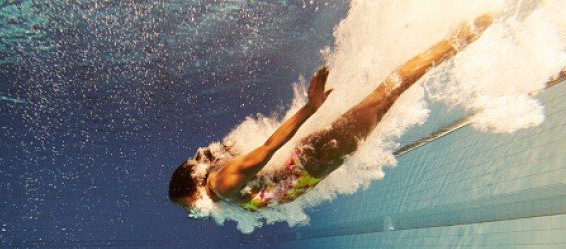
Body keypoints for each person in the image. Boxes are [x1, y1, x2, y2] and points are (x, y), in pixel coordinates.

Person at [169, 14, 493, 217]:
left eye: (188, 207)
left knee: (388, 93)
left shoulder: (221, 184)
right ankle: (455, 37)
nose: (193, 212)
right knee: (386, 95)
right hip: (316, 159)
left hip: (318, 156)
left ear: (193, 190)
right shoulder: (223, 191)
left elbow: (268, 149)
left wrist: (311, 108)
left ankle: (461, 35)